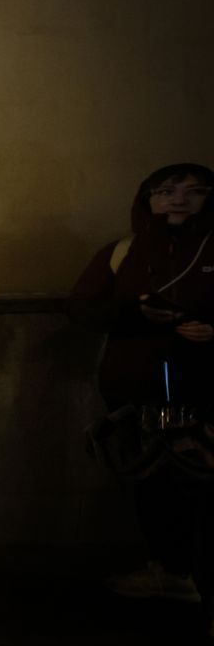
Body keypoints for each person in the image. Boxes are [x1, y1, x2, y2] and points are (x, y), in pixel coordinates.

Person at [69, 163, 213, 614]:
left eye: (194, 191)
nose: (178, 199)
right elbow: (82, 306)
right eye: (165, 191)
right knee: (153, 482)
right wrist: (134, 315)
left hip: (201, 385)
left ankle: (187, 571)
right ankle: (169, 568)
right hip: (136, 383)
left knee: (195, 479)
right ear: (147, 199)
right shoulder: (123, 251)